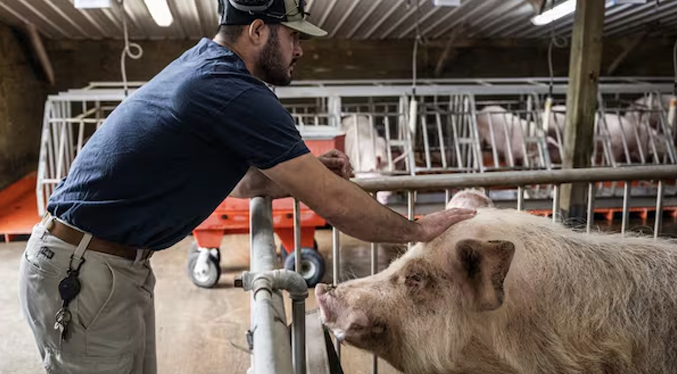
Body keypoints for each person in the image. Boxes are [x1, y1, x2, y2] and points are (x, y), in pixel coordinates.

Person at [18, 0, 476, 373]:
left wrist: (306, 172)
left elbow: (239, 182)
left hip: (110, 265)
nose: (299, 50)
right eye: (293, 36)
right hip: (83, 271)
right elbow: (337, 204)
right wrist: (418, 229)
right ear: (257, 31)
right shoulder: (231, 88)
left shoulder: (206, 68)